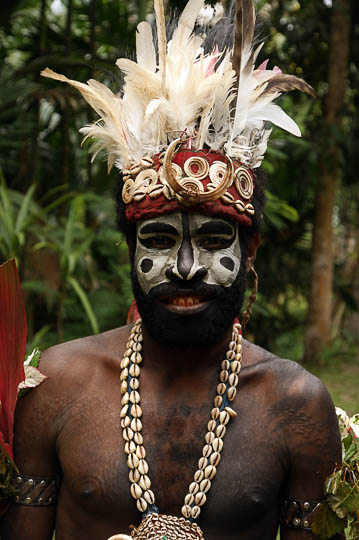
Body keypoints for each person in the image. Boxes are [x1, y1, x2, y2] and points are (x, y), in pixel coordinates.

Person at [0, 1, 342, 539]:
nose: (185, 268)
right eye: (158, 240)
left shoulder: (295, 406)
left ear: (250, 251)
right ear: (129, 248)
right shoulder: (56, 386)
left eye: (212, 240)